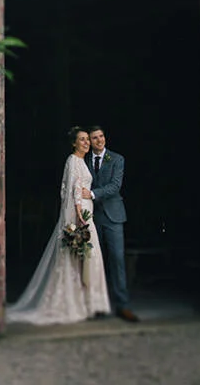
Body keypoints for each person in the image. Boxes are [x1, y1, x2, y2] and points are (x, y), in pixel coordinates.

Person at [6, 127, 110, 325]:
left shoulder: (80, 161)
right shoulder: (73, 161)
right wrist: (79, 216)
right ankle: (73, 302)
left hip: (87, 213)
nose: (87, 142)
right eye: (82, 140)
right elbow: (73, 190)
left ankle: (89, 303)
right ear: (74, 143)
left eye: (88, 139)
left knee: (87, 258)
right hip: (81, 215)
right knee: (78, 256)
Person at [82, 126, 139, 323]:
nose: (99, 140)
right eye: (94, 138)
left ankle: (122, 305)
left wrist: (93, 194)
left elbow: (115, 186)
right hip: (93, 216)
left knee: (117, 259)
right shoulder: (84, 159)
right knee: (95, 262)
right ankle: (97, 305)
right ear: (89, 141)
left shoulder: (116, 159)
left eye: (101, 136)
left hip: (113, 216)